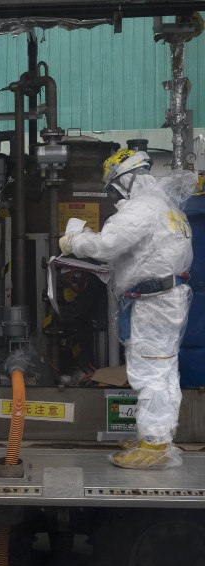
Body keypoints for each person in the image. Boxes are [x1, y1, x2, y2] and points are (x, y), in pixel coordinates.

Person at [60, 149, 195, 469]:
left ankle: (154, 445)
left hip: (153, 303)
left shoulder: (141, 208)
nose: (112, 193)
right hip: (161, 299)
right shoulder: (163, 205)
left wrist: (75, 241)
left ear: (127, 179)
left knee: (151, 372)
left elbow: (106, 245)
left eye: (113, 186)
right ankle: (156, 437)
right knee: (162, 370)